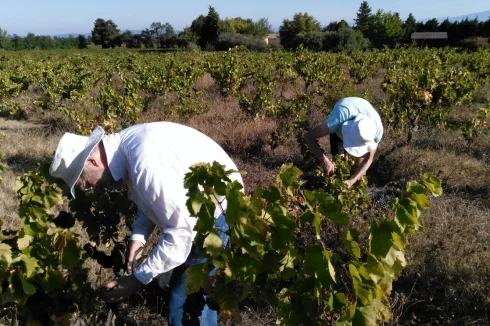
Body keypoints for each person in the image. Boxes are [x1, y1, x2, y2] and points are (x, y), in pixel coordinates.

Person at [49, 121, 243, 326]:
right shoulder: (126, 151)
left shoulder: (142, 161)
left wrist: (136, 280)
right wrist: (138, 238)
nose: (94, 190)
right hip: (203, 207)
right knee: (190, 292)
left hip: (218, 209)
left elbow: (180, 231)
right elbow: (150, 200)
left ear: (92, 162)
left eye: (87, 184)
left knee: (184, 302)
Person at [303, 97, 383, 187]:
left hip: (361, 116)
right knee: (339, 166)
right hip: (345, 112)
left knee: (359, 172)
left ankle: (354, 191)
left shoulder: (376, 132)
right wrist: (325, 161)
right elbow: (308, 136)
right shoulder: (337, 121)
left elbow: (368, 159)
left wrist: (352, 181)